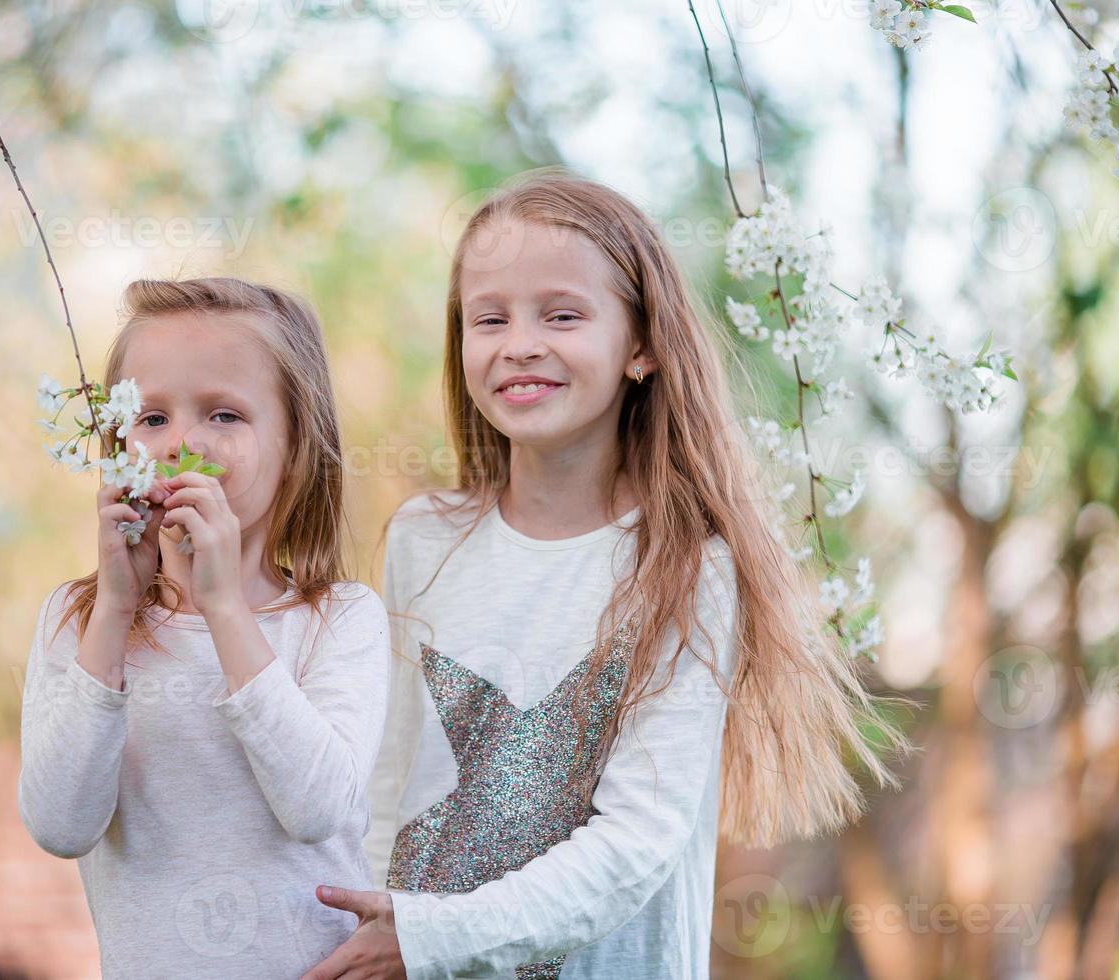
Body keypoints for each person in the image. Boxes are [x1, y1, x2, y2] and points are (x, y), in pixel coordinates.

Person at [306, 172, 906, 980]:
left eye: (561, 315)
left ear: (642, 346)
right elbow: (391, 780)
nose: (519, 342)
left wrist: (430, 938)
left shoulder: (688, 566)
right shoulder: (424, 538)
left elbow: (637, 842)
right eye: (490, 318)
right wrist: (381, 930)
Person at [18, 276, 390, 978]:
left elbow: (317, 809)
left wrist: (223, 607)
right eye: (152, 418)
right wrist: (116, 611)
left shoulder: (339, 619)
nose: (183, 441)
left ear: (295, 449)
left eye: (225, 415)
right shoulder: (81, 622)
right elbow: (60, 825)